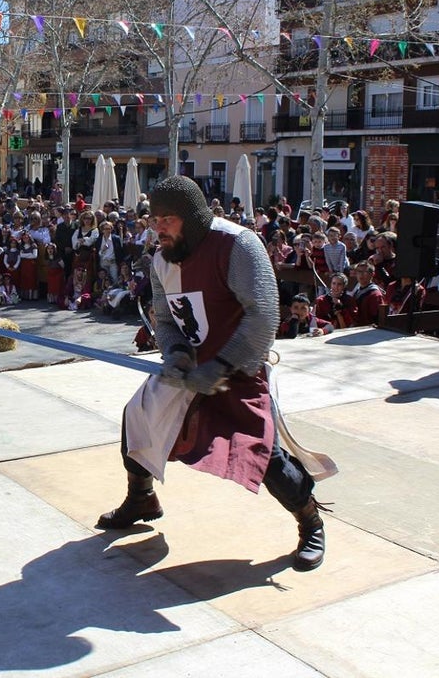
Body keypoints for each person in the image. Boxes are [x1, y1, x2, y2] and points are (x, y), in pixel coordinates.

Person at [97, 175, 328, 572]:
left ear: (191, 217)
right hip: (188, 368)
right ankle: (141, 497)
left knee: (264, 455)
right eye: (155, 219)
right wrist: (175, 353)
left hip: (238, 368)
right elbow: (166, 317)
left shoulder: (236, 245)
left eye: (167, 219)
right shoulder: (160, 259)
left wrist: (221, 365)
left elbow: (263, 314)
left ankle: (311, 523)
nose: (158, 227)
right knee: (137, 416)